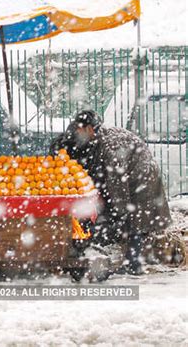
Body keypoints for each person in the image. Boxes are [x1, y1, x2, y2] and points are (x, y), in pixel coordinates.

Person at [50, 110, 171, 275]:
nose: (78, 133)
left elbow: (117, 190)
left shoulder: (110, 149)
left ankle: (134, 265)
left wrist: (110, 216)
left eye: (80, 129)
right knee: (132, 219)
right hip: (132, 174)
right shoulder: (96, 139)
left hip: (142, 178)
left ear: (90, 129)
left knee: (136, 220)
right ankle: (132, 262)